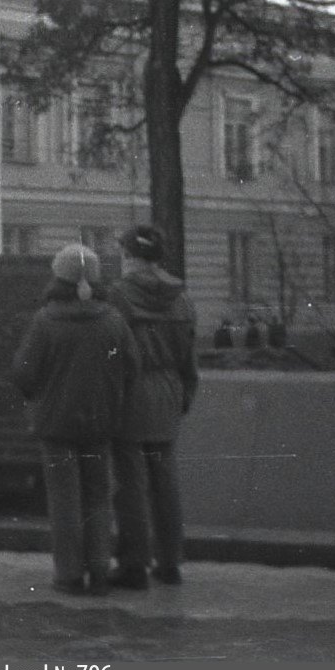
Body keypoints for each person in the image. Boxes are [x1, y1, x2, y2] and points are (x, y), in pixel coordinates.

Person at [12, 243, 140, 597]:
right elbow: (132, 367)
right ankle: (99, 570)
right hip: (100, 422)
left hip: (56, 424)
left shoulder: (45, 321)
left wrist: (40, 396)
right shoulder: (113, 320)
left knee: (64, 499)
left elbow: (23, 373)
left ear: (58, 278)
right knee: (98, 496)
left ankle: (69, 574)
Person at [109, 225, 198, 589]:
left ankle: (133, 565)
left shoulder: (118, 295)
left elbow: (112, 352)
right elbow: (189, 359)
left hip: (131, 394)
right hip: (168, 391)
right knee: (165, 483)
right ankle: (170, 562)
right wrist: (183, 396)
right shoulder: (182, 297)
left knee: (130, 485)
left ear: (129, 256)